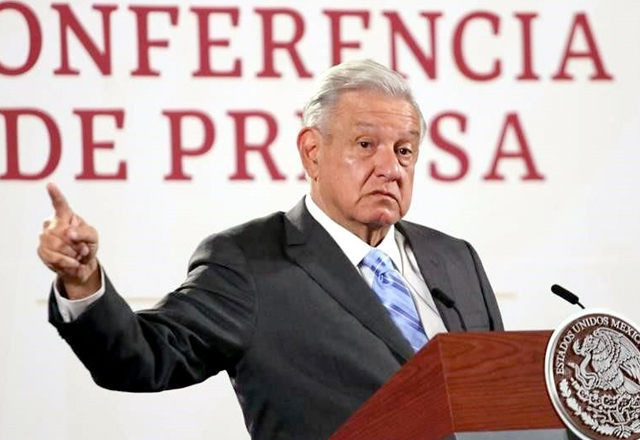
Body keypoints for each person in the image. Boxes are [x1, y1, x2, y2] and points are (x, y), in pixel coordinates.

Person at [39, 59, 503, 440]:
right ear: (312, 152)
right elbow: (144, 358)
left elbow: (504, 397)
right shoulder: (248, 261)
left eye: (404, 150)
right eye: (366, 145)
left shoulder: (455, 259)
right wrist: (84, 283)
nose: (390, 168)